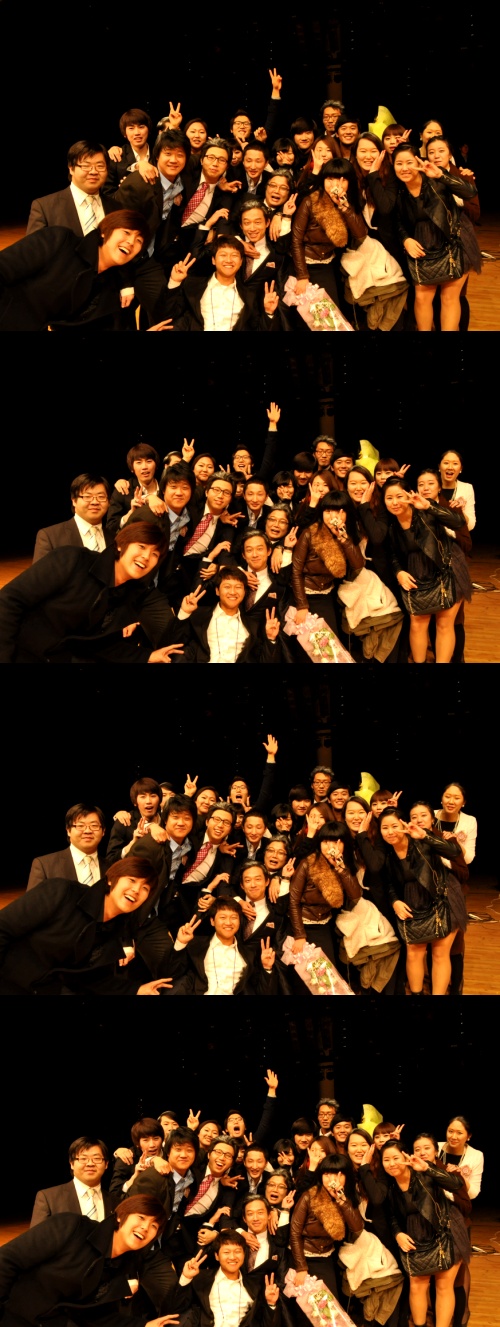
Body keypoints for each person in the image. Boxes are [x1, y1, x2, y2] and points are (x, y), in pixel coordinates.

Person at [0, 521, 182, 664]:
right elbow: (9, 601)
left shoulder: (130, 594)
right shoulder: (72, 559)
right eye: (142, 546)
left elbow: (99, 644)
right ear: (120, 545)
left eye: (155, 554)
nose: (146, 557)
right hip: (16, 651)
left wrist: (147, 656)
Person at [0, 857, 174, 995]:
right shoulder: (62, 892)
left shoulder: (116, 929)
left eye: (145, 888)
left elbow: (94, 980)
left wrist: (136, 989)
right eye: (132, 880)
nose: (136, 890)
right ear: (111, 880)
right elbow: (3, 928)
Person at [0, 1195, 179, 1326]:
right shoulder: (72, 1227)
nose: (145, 1227)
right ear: (120, 1216)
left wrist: (144, 1325)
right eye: (141, 1217)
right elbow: (7, 1259)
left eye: (154, 1226)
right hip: (11, 1315)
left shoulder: (125, 1265)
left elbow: (97, 1317)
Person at [0, 210, 150, 331]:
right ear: (104, 232)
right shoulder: (60, 240)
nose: (131, 242)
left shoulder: (114, 285)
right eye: (126, 232)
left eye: (139, 241)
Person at [378, 808, 468, 995]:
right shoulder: (388, 854)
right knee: (413, 953)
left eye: (394, 826)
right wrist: (395, 902)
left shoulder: (421, 838)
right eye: (385, 828)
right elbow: (389, 883)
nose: (390, 831)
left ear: (404, 824)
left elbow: (455, 851)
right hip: (413, 902)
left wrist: (425, 836)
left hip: (442, 897)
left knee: (440, 954)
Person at [381, 1140, 468, 1327]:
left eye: (396, 1158)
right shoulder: (390, 1186)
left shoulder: (424, 1170)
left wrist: (428, 1169)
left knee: (444, 1287)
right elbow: (391, 1215)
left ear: (406, 1156)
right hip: (415, 1236)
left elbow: (457, 1184)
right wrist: (397, 1234)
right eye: (386, 1160)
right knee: (417, 1286)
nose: (391, 1163)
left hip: (444, 1232)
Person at [393, 143, 479, 331]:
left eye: (409, 162)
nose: (405, 168)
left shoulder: (436, 177)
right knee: (422, 297)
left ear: (419, 161)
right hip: (422, 246)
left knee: (449, 298)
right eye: (399, 163)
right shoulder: (398, 190)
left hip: (452, 241)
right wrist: (405, 239)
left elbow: (470, 192)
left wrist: (441, 175)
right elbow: (397, 220)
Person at [384, 477, 468, 663]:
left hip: (446, 568)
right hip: (417, 573)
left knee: (444, 624)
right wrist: (399, 572)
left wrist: (429, 507)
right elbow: (392, 554)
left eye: (399, 496)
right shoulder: (392, 527)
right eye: (389, 498)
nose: (395, 502)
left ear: (409, 495)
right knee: (417, 624)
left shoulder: (426, 508)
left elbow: (458, 522)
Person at [290, 1153, 363, 1312]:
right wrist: (301, 1268)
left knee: (329, 1309)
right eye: (327, 1174)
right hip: (304, 1256)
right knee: (310, 1309)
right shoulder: (309, 1196)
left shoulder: (347, 1197)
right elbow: (294, 1233)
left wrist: (342, 1201)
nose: (332, 1179)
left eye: (338, 1174)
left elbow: (357, 1228)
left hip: (327, 1256)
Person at [291, 160, 367, 305]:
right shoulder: (310, 201)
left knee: (329, 311)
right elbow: (296, 240)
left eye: (341, 179)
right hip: (305, 262)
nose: (335, 184)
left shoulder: (349, 202)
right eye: (330, 179)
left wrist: (344, 207)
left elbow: (360, 235)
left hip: (328, 263)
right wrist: (302, 275)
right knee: (311, 311)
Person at [165, 236, 281, 330]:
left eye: (234, 255)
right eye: (223, 255)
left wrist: (269, 313)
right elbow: (168, 316)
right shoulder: (193, 286)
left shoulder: (249, 295)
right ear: (213, 260)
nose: (229, 260)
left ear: (241, 261)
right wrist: (175, 281)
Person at [169, 897, 279, 995]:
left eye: (234, 917)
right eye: (223, 917)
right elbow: (172, 974)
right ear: (212, 921)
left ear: (239, 922)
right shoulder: (196, 945)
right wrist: (181, 943)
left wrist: (267, 968)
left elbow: (262, 992)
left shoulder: (249, 954)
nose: (228, 922)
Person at [170, 567, 283, 663]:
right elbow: (173, 646)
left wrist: (271, 639)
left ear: (244, 592)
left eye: (238, 587)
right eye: (227, 587)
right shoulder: (199, 616)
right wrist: (184, 613)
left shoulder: (253, 625)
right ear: (217, 591)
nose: (233, 592)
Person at [292, 490, 364, 635]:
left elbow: (358, 565)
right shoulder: (310, 533)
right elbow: (296, 571)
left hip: (328, 594)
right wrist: (302, 605)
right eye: (328, 511)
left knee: (329, 641)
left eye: (338, 511)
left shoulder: (347, 534)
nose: (332, 516)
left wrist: (343, 539)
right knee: (312, 641)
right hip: (306, 593)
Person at [289, 822, 362, 965]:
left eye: (335, 841)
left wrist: (340, 868)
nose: (330, 847)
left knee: (327, 969)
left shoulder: (345, 864)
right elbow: (293, 900)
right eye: (325, 841)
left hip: (326, 923)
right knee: (309, 970)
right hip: (304, 922)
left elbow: (355, 896)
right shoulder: (308, 863)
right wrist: (299, 935)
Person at [176, 1230, 281, 1324]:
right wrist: (186, 1277)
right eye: (226, 1252)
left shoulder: (255, 1286)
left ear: (244, 1255)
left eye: (237, 1251)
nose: (232, 1257)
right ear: (217, 1256)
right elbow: (177, 1308)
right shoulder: (201, 1279)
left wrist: (271, 1304)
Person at [31, 1137, 113, 1225]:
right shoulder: (48, 1198)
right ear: (72, 1163)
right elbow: (37, 1234)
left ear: (106, 1164)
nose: (90, 1164)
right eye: (83, 1159)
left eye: (97, 1158)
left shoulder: (115, 1202)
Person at [27, 803, 106, 891]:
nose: (87, 831)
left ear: (103, 831)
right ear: (68, 830)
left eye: (94, 826)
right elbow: (32, 900)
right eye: (80, 826)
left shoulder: (111, 867)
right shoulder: (44, 865)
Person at [33, 474, 112, 562]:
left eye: (101, 497)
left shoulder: (115, 538)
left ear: (109, 502)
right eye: (87, 496)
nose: (95, 502)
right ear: (74, 500)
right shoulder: (50, 536)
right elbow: (40, 571)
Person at [437, 1116, 484, 1200]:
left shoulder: (476, 1155)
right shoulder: (435, 1147)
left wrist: (460, 1177)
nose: (453, 1137)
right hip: (431, 1200)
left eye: (459, 1133)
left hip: (456, 1203)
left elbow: (473, 1193)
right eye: (450, 1131)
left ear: (468, 1136)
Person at [434, 784, 477, 865]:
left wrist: (456, 842)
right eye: (447, 797)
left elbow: (468, 859)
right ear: (442, 798)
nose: (451, 802)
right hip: (427, 868)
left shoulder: (470, 821)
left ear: (463, 802)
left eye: (456, 798)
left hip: (454, 870)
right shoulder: (429, 815)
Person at [438, 451, 476, 531]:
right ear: (439, 466)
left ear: (460, 469)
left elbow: (471, 525)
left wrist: (459, 512)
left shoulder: (467, 488)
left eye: (455, 463)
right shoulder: (429, 486)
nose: (450, 467)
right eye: (446, 463)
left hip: (457, 538)